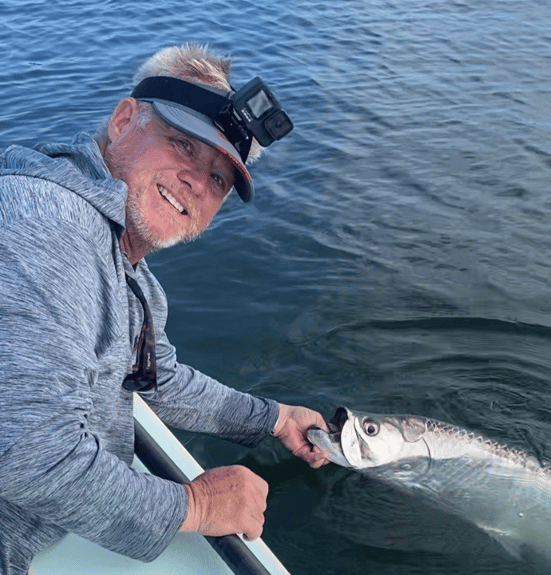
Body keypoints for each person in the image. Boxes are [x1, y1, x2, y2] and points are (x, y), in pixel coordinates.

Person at [0, 43, 328, 573]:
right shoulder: (45, 226)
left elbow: (157, 379)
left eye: (220, 178)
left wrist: (273, 418)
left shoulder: (126, 267)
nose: (197, 182)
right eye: (184, 144)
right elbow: (26, 456)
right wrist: (195, 506)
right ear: (124, 119)